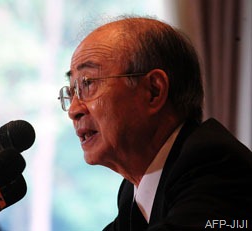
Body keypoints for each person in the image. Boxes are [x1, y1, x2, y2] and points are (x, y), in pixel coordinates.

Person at [58, 16, 252, 230]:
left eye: (88, 83)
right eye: (72, 91)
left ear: (153, 91)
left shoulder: (215, 165)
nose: (74, 110)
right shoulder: (134, 191)